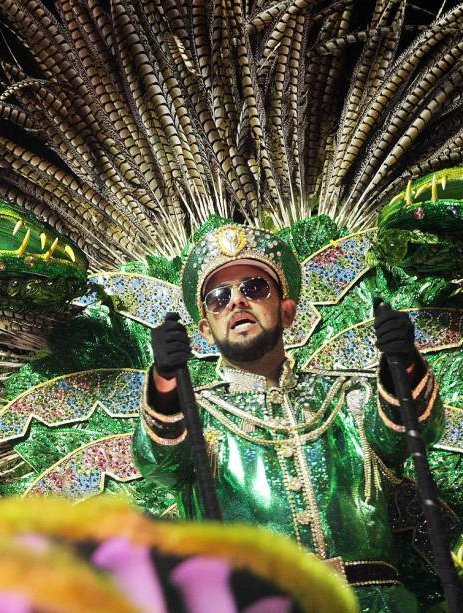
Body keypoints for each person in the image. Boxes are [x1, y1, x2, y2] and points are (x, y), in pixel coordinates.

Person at [133, 223, 443, 611]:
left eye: (254, 288)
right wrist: (164, 379)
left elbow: (414, 433)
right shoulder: (197, 419)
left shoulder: (350, 399)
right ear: (205, 332)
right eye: (218, 298)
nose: (236, 302)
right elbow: (157, 462)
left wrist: (405, 364)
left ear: (287, 309)